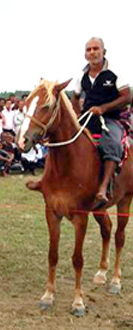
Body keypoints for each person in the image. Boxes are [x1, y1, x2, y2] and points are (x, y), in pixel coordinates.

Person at [72, 37, 131, 205]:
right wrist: (77, 112)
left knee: (111, 143)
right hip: (87, 119)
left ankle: (104, 187)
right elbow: (75, 98)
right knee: (65, 140)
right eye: (89, 49)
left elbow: (127, 97)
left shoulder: (115, 73)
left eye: (95, 48)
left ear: (103, 52)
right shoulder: (81, 76)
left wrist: (104, 108)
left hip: (110, 119)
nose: (92, 52)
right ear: (85, 54)